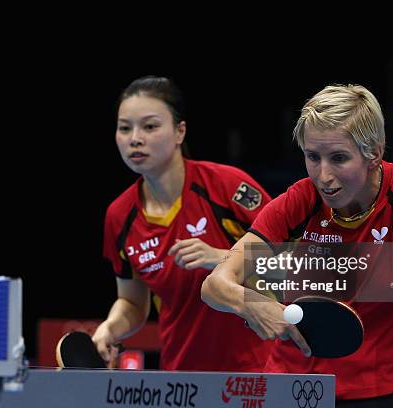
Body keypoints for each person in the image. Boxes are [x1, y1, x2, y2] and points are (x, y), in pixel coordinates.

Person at [201, 84, 393, 406]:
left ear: (374, 154)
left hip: (387, 387)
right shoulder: (299, 200)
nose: (323, 175)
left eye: (338, 158)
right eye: (313, 157)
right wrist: (252, 303)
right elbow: (214, 285)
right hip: (295, 385)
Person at [93, 76, 273, 371]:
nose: (135, 138)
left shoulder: (226, 187)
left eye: (150, 126)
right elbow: (134, 304)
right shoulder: (120, 215)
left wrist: (222, 259)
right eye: (125, 128)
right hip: (183, 374)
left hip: (261, 368)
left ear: (180, 132)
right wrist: (109, 329)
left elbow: (297, 260)